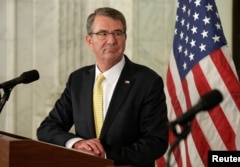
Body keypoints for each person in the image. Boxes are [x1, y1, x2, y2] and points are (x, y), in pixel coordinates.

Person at [37, 7, 168, 167]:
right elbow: (47, 128)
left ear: (125, 38)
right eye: (103, 33)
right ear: (89, 41)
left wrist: (104, 155)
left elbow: (156, 142)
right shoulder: (78, 80)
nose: (112, 40)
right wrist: (76, 143)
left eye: (118, 33)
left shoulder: (147, 81)